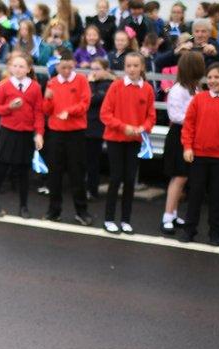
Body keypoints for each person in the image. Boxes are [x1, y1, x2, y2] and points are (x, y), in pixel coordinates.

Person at [179, 62, 219, 246]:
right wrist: (187, 147)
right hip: (198, 156)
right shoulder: (199, 99)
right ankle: (189, 230)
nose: (212, 81)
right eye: (210, 77)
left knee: (216, 197)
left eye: (217, 77)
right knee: (195, 194)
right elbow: (189, 125)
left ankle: (215, 233)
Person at [99, 51, 155, 234]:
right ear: (124, 67)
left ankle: (125, 219)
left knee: (130, 180)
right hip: (116, 139)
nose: (132, 69)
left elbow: (151, 117)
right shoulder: (116, 86)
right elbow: (105, 114)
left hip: (134, 141)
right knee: (115, 178)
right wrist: (123, 127)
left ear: (142, 67)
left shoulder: (147, 89)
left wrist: (142, 128)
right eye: (128, 66)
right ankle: (108, 218)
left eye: (135, 65)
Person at [0, 51, 45, 218]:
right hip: (8, 132)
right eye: (15, 66)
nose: (18, 69)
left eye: (22, 66)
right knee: (2, 168)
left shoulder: (35, 87)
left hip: (26, 134)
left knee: (23, 170)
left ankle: (23, 206)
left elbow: (39, 112)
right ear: (10, 68)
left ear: (28, 69)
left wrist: (39, 133)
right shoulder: (4, 85)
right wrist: (9, 107)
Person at [42, 48, 94, 225]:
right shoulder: (52, 82)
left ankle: (81, 211)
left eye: (68, 67)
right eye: (62, 68)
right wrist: (48, 99)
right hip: (56, 133)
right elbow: (46, 110)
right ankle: (54, 210)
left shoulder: (81, 80)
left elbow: (85, 103)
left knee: (76, 173)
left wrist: (69, 112)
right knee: (54, 173)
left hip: (75, 133)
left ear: (73, 65)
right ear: (57, 67)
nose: (66, 71)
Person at [161, 51, 204, 235]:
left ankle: (174, 213)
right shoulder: (178, 89)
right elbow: (175, 116)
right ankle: (167, 216)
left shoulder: (195, 88)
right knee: (179, 176)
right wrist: (197, 118)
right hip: (179, 134)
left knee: (184, 177)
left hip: (191, 134)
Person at [155, 18, 219, 72]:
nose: (200, 35)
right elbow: (158, 62)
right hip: (187, 89)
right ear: (192, 33)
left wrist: (216, 54)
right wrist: (175, 52)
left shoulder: (216, 47)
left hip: (209, 90)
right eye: (197, 31)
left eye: (203, 31)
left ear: (209, 33)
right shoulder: (185, 46)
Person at [85, 57, 115, 200]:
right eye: (92, 69)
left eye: (97, 69)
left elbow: (92, 99)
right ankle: (85, 188)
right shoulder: (92, 83)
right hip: (85, 125)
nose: (94, 72)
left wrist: (90, 82)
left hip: (96, 127)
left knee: (93, 161)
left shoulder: (107, 84)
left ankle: (93, 190)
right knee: (84, 160)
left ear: (106, 70)